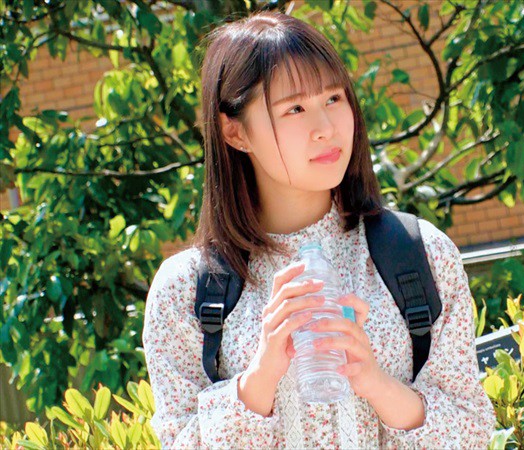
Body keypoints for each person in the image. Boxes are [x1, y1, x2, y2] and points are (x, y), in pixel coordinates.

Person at [142, 10, 495, 450]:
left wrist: (375, 383)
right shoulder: (186, 290)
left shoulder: (419, 254)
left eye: (333, 98)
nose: (326, 128)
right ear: (234, 131)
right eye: (294, 108)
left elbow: (472, 430)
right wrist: (259, 378)